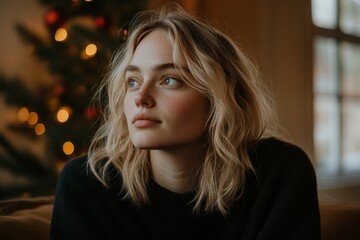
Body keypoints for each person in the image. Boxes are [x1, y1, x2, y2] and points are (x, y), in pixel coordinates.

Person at [50, 4, 321, 240]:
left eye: (169, 80)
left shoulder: (279, 175)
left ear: (218, 99)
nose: (140, 98)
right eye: (133, 81)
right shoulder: (87, 187)